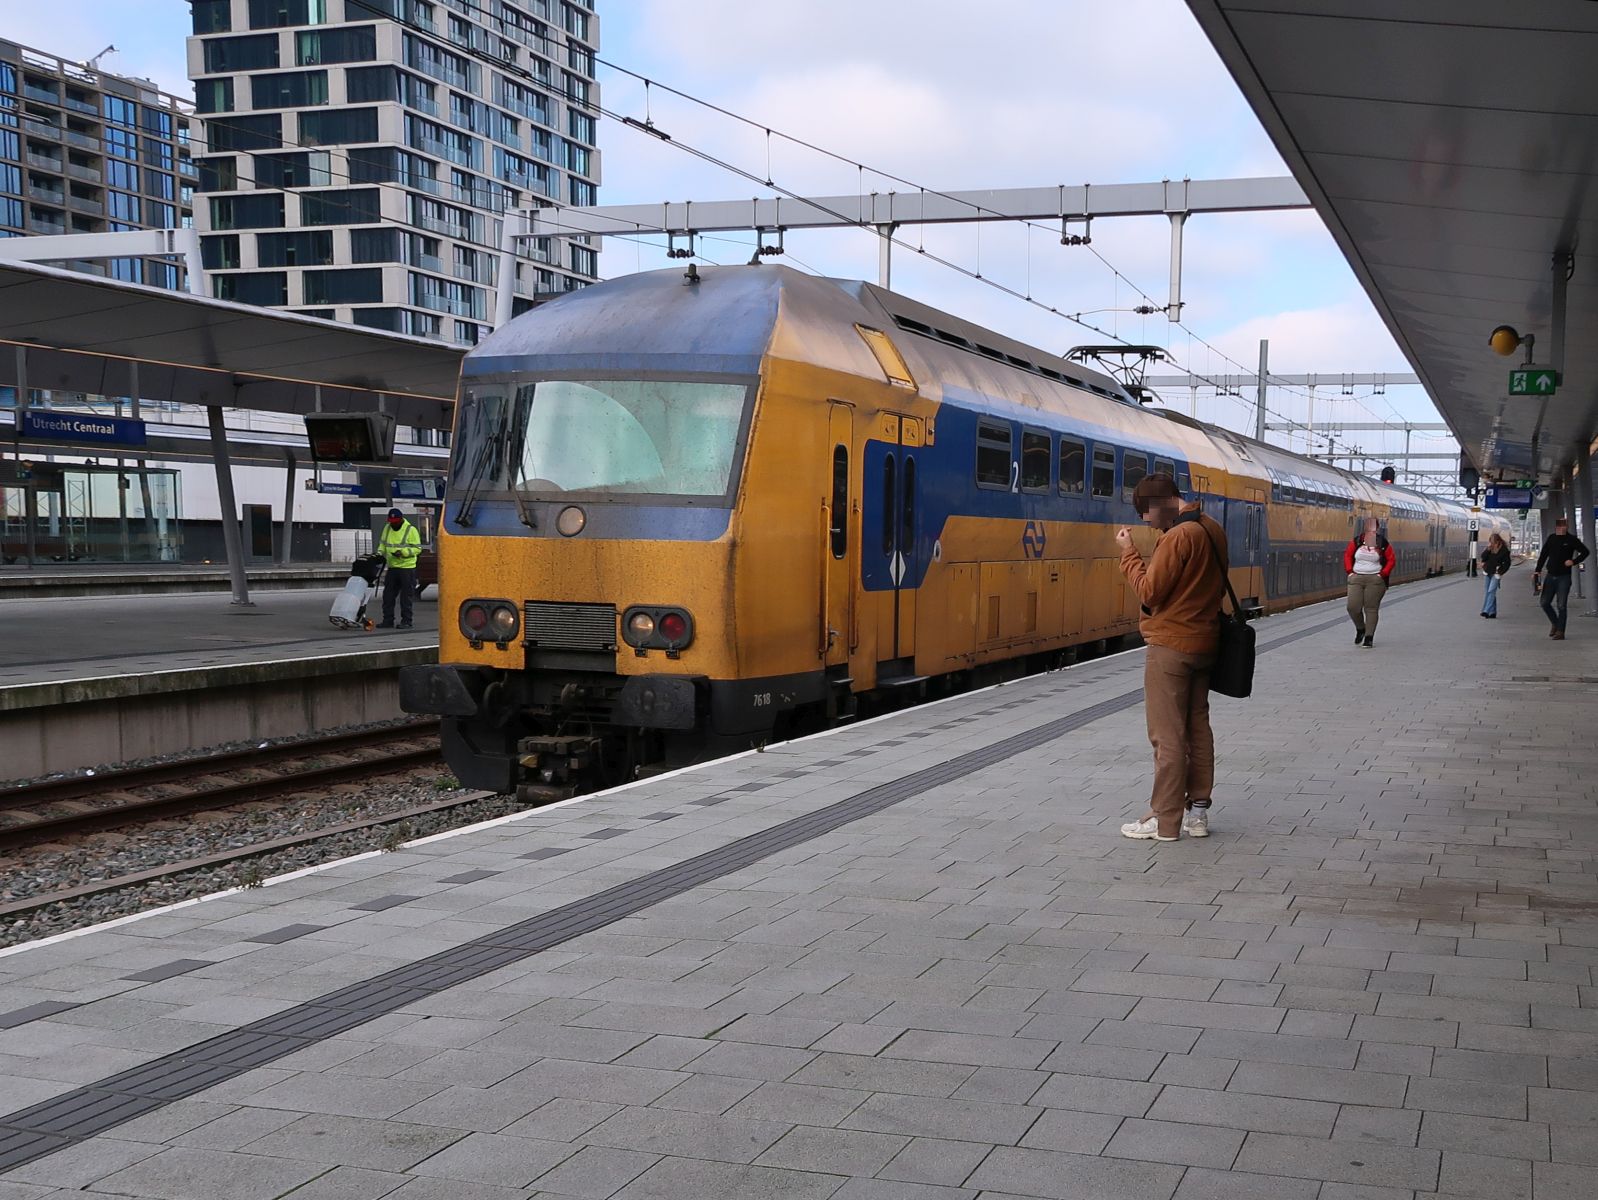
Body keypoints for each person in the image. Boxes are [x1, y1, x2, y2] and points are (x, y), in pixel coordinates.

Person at [1114, 473, 1227, 842]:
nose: (1146, 521)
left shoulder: (1178, 536)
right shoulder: (1212, 529)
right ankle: (1198, 813)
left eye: (1146, 513)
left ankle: (1165, 821)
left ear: (1161, 504)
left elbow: (1150, 592)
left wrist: (1129, 553)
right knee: (1198, 729)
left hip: (1171, 647)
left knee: (1167, 736)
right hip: (1205, 643)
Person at [1534, 517, 1590, 640]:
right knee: (1544, 603)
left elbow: (1585, 552)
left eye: (1564, 525)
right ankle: (1556, 623)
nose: (1562, 527)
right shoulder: (1551, 538)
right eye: (1560, 525)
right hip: (1550, 575)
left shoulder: (1572, 539)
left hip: (1564, 577)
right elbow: (1543, 555)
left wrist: (1574, 561)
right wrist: (1537, 570)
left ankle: (1560, 632)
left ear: (1567, 526)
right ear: (1556, 526)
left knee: (1561, 605)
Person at [1343, 521, 1394, 647]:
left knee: (1371, 608)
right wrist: (1350, 572)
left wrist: (1382, 574)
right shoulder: (1357, 541)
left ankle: (1369, 637)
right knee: (1353, 607)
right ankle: (1361, 628)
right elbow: (1348, 555)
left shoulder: (1382, 543)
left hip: (1375, 580)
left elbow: (1391, 559)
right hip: (1356, 578)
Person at [377, 508, 421, 629]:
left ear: (401, 519)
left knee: (406, 597)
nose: (393, 524)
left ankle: (406, 621)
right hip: (392, 567)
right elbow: (382, 544)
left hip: (407, 568)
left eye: (395, 521)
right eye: (391, 521)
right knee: (388, 596)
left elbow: (417, 549)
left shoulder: (410, 530)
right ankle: (388, 620)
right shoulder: (387, 528)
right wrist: (379, 554)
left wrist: (403, 553)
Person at [1479, 533, 1510, 618]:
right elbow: (1483, 557)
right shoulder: (1490, 548)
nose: (1492, 544)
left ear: (1498, 541)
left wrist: (1500, 572)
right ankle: (1493, 612)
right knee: (1488, 592)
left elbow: (1507, 563)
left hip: (1496, 573)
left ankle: (1486, 610)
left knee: (1491, 591)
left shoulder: (1504, 550)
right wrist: (1487, 549)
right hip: (1488, 572)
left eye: (1493, 542)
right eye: (1491, 542)